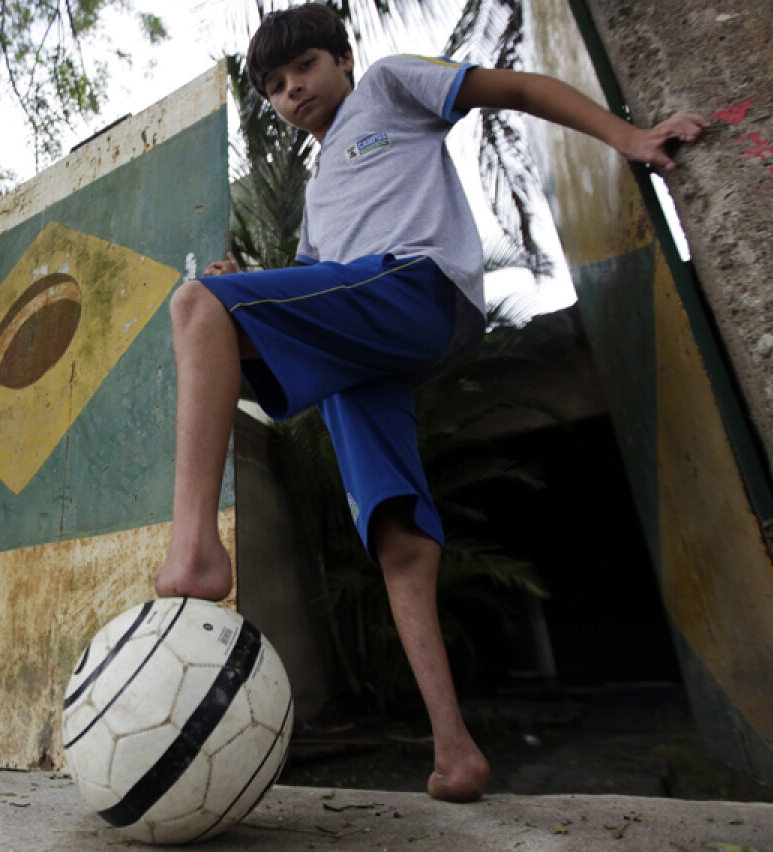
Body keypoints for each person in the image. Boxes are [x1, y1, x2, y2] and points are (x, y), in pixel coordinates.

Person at [153, 3, 708, 802]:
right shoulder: (314, 193)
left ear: (342, 58)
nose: (290, 91)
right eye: (273, 87)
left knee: (194, 306)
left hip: (419, 290)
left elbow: (510, 88)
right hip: (364, 341)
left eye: (303, 67)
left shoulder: (387, 87)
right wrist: (247, 287)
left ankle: (195, 551)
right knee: (399, 539)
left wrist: (628, 136)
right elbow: (318, 284)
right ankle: (456, 751)